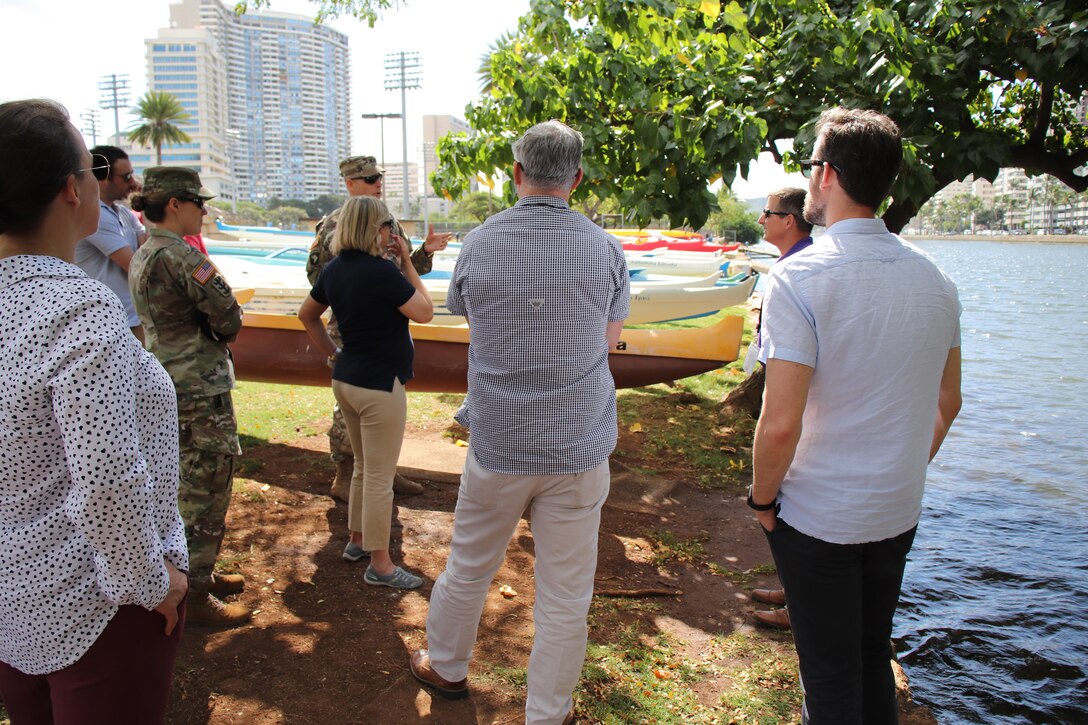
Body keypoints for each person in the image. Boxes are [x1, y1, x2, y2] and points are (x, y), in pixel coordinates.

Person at [410, 120, 630, 725]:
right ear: (576, 178)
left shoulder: (480, 242)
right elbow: (606, 344)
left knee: (469, 566)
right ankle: (547, 713)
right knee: (565, 596)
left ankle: (447, 667)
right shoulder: (605, 249)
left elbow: (465, 310)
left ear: (515, 174)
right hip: (578, 445)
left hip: (501, 441)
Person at [750, 107, 962, 723]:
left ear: (830, 175)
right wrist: (899, 467)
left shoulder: (800, 279)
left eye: (811, 165)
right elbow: (949, 403)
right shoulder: (937, 280)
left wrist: (762, 502)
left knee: (830, 674)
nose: (809, 177)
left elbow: (780, 422)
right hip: (897, 508)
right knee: (871, 652)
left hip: (819, 516)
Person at [0, 99, 188, 722]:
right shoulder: (77, 312)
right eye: (91, 166)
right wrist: (153, 583)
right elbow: (108, 476)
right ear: (71, 191)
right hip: (98, 606)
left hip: (14, 596)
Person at [129, 167, 251, 628]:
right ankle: (195, 592)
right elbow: (228, 317)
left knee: (183, 477)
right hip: (199, 386)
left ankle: (197, 569)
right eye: (199, 203)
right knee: (207, 483)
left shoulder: (146, 252)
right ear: (176, 204)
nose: (205, 210)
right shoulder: (182, 256)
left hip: (165, 378)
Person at [298, 196, 433, 587]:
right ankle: (381, 564)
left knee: (362, 466)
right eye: (388, 225)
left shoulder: (337, 267)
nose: (393, 231)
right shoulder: (382, 272)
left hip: (347, 379)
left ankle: (357, 540)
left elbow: (307, 314)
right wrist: (407, 261)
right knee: (379, 475)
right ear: (376, 229)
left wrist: (332, 353)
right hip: (379, 385)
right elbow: (424, 311)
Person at [307, 155, 453, 502]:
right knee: (352, 407)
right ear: (350, 183)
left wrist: (424, 252)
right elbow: (318, 278)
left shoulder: (388, 221)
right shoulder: (333, 225)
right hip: (351, 325)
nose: (377, 183)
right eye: (370, 178)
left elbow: (403, 269)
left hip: (391, 323)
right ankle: (346, 474)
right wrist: (358, 284)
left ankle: (384, 469)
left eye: (379, 177)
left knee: (386, 400)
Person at [746, 186, 815, 630]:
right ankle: (794, 589)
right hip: (786, 399)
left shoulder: (804, 271)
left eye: (767, 214)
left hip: (796, 411)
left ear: (789, 219)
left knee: (789, 505)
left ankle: (800, 603)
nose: (760, 221)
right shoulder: (790, 265)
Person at [74, 145, 143, 343]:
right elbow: (136, 266)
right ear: (103, 178)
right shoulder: (97, 216)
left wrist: (146, 205)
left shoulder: (123, 213)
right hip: (108, 325)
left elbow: (147, 249)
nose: (132, 183)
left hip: (130, 319)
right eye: (126, 176)